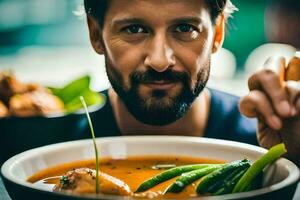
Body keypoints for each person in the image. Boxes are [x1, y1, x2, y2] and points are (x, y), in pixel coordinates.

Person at [83, 0, 300, 166]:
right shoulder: (52, 138)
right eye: (133, 29)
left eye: (185, 28)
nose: (160, 61)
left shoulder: (271, 139)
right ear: (96, 35)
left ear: (217, 33)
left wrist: (292, 161)